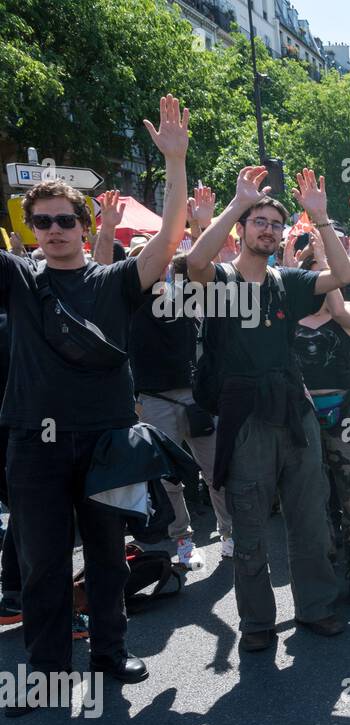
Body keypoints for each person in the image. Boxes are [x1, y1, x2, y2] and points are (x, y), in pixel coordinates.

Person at [1, 95, 190, 708]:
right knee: (43, 566)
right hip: (34, 445)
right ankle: (48, 673)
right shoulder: (21, 279)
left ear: (85, 226)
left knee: (108, 558)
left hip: (107, 445)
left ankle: (110, 653)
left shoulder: (113, 281)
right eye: (44, 222)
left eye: (65, 220)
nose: (54, 230)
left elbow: (168, 240)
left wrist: (175, 161)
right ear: (31, 229)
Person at [186, 165, 350, 652]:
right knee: (250, 524)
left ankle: (316, 608)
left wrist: (321, 219)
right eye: (258, 221)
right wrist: (237, 202)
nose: (268, 230)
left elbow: (344, 275)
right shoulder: (218, 280)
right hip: (243, 420)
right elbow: (195, 261)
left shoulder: (288, 281)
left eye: (275, 224)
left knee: (308, 518)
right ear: (242, 230)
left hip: (294, 412)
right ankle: (257, 623)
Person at [124, 183, 233, 566]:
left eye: (157, 261)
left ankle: (229, 532)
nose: (152, 267)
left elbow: (204, 265)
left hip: (194, 397)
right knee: (168, 479)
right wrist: (106, 233)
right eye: (142, 261)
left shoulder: (184, 294)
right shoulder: (128, 303)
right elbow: (105, 264)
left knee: (216, 470)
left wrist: (201, 224)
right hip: (154, 402)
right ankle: (182, 539)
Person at [291, 232, 350, 605]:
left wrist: (329, 260)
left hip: (343, 411)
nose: (321, 283)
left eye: (325, 278)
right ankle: (326, 562)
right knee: (315, 497)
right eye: (313, 277)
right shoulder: (289, 320)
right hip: (303, 416)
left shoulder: (347, 316)